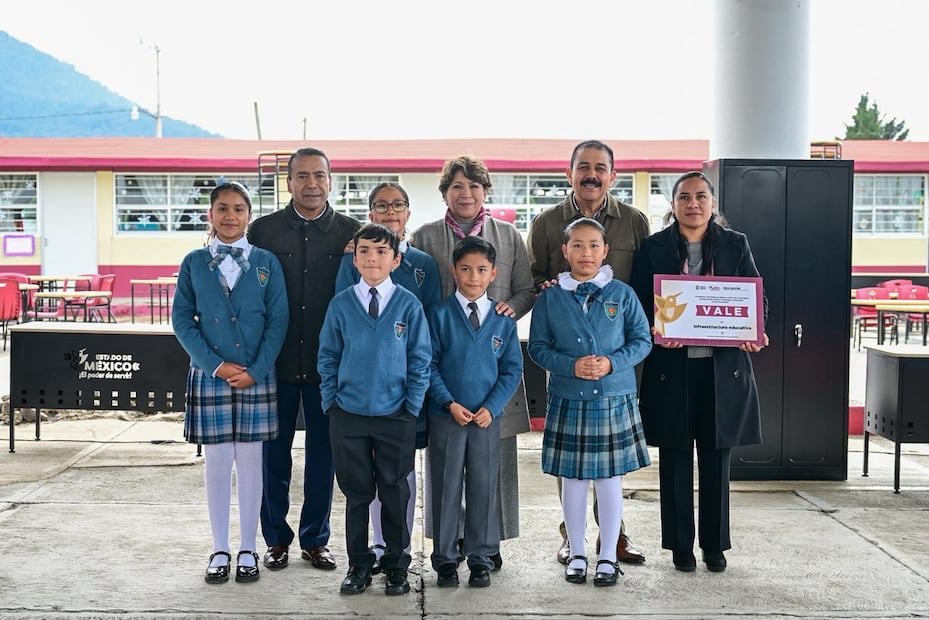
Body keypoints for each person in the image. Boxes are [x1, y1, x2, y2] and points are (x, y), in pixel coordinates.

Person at [629, 171, 768, 573]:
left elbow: (755, 296)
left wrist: (755, 329)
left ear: (713, 203)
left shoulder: (735, 244)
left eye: (701, 196)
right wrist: (655, 329)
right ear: (673, 205)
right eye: (685, 197)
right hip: (671, 369)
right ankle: (680, 546)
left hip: (720, 370)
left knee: (716, 459)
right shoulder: (653, 247)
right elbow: (639, 301)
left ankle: (714, 545)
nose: (693, 204)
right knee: (674, 458)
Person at [526, 139, 651, 566]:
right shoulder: (546, 222)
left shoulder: (633, 221)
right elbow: (535, 277)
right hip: (568, 358)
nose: (591, 175)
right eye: (584, 167)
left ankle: (614, 537)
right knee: (572, 463)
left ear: (612, 175)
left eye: (600, 168)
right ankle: (572, 535)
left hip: (615, 361)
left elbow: (645, 284)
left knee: (611, 463)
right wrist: (548, 292)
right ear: (570, 173)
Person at [410, 154, 535, 569]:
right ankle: (449, 544)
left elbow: (526, 289)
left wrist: (509, 310)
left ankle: (488, 543)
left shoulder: (509, 235)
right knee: (446, 468)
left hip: (492, 358)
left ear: (486, 191)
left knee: (493, 465)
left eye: (474, 186)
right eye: (457, 186)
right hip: (444, 362)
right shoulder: (425, 236)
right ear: (445, 192)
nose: (466, 194)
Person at [247, 147, 361, 572]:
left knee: (322, 457)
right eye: (302, 176)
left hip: (327, 366)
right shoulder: (263, 231)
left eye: (320, 176)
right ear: (289, 182)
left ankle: (316, 539)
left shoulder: (352, 233)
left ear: (331, 181)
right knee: (272, 455)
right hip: (273, 364)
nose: (312, 184)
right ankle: (275, 539)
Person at [172, 180, 289, 584]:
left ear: (249, 216)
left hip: (257, 375)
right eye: (222, 208)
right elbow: (182, 320)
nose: (230, 216)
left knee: (252, 463)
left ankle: (247, 548)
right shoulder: (193, 262)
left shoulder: (266, 262)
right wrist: (216, 366)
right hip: (211, 376)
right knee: (218, 462)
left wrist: (256, 370)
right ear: (210, 214)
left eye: (239, 209)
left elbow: (278, 321)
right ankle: (220, 548)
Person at [318, 223, 432, 596]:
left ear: (396, 260)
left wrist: (411, 407)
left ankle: (397, 565)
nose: (372, 258)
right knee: (357, 493)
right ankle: (358, 564)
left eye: (382, 252)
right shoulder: (340, 304)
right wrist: (331, 402)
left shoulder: (408, 305)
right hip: (348, 415)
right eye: (364, 251)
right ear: (354, 258)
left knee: (394, 491)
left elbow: (420, 360)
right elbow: (328, 356)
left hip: (395, 415)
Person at [335, 182, 441, 573]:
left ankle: (399, 547)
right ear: (370, 214)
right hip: (355, 398)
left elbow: (429, 331)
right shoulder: (351, 261)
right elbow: (337, 329)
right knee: (363, 478)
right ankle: (375, 546)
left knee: (398, 474)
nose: (390, 211)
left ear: (408, 213)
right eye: (381, 205)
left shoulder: (423, 265)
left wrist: (414, 398)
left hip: (403, 393)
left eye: (398, 205)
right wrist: (333, 397)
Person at [426, 236, 523, 589]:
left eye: (482, 270)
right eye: (465, 269)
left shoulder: (503, 320)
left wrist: (492, 408)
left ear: (493, 273)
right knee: (446, 487)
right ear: (454, 271)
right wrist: (448, 403)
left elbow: (512, 370)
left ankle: (481, 557)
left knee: (484, 486)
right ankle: (445, 559)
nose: (473, 276)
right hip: (447, 417)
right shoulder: (438, 315)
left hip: (485, 420)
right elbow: (427, 365)